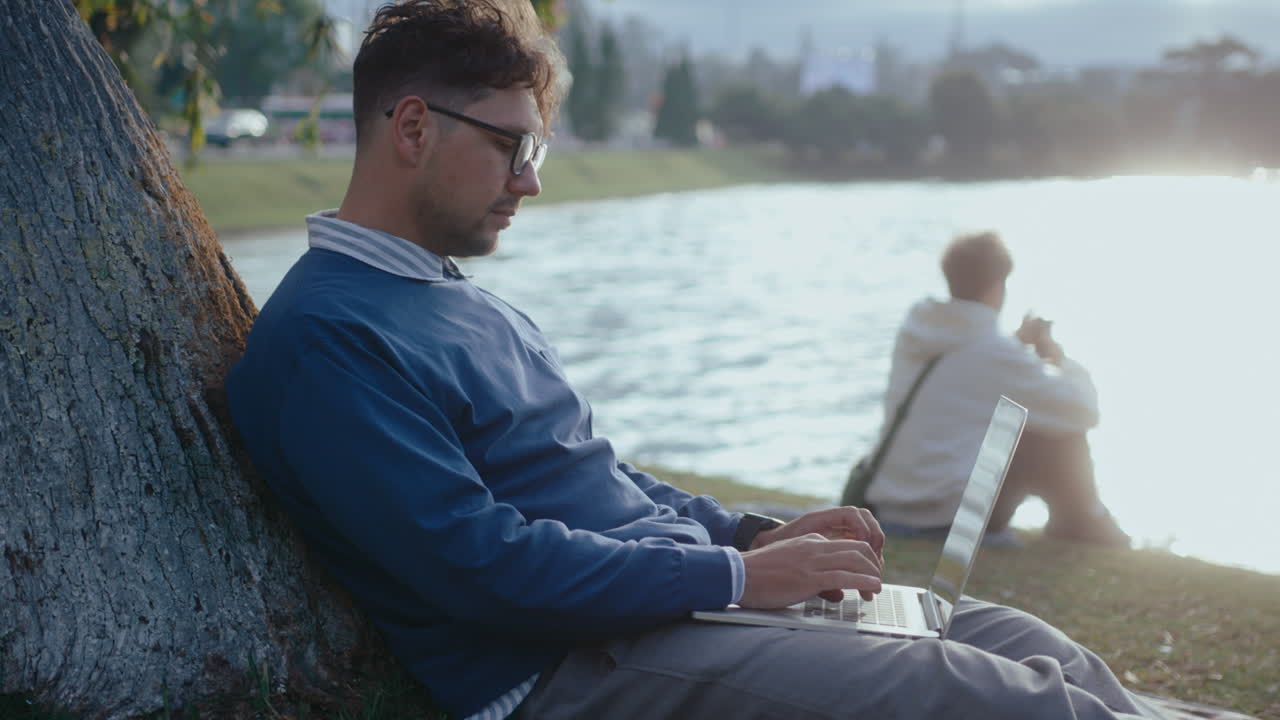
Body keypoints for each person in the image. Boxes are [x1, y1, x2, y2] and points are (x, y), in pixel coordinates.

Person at [225, 3, 1161, 718]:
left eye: (536, 147)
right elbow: (483, 566)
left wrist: (754, 535)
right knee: (1002, 697)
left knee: (1031, 644)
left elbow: (600, 477)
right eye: (512, 145)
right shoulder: (325, 340)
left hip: (670, 607)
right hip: (569, 670)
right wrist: (741, 580)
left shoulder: (455, 297)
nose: (532, 180)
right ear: (415, 128)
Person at [864, 231, 1130, 547]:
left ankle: (1082, 524)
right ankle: (1084, 524)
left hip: (892, 501)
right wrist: (1058, 358)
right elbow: (1084, 412)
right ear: (998, 285)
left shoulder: (918, 327)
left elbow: (965, 374)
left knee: (1033, 417)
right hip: (947, 512)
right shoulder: (997, 354)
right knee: (1059, 433)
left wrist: (1014, 344)